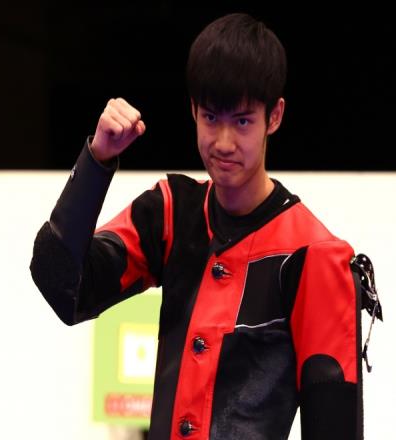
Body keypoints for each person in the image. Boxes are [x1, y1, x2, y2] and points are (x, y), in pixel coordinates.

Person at [30, 12, 381, 439]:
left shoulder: (313, 254)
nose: (223, 142)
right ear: (193, 109)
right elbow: (63, 288)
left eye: (243, 121)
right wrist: (97, 160)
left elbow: (336, 428)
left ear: (274, 117)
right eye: (211, 118)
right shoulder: (171, 211)